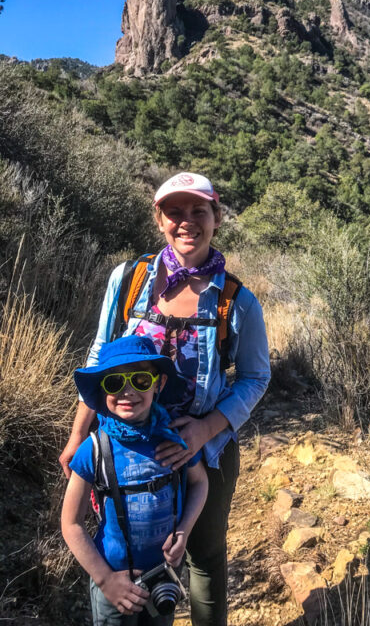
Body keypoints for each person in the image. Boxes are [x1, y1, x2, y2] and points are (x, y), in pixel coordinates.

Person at [59, 171, 271, 626]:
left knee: (204, 556)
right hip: (123, 444)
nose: (186, 222)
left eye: (199, 211)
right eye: (175, 212)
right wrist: (79, 434)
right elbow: (100, 356)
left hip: (205, 452)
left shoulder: (236, 301)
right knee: (126, 548)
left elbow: (255, 378)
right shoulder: (130, 280)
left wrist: (203, 429)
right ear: (159, 219)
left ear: (217, 218)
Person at [61, 334, 209, 626]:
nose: (128, 392)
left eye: (140, 380)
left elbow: (200, 483)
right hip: (113, 581)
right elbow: (71, 523)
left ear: (159, 383)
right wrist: (105, 581)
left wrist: (184, 530)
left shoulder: (173, 439)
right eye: (115, 382)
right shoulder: (94, 449)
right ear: (102, 391)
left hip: (163, 578)